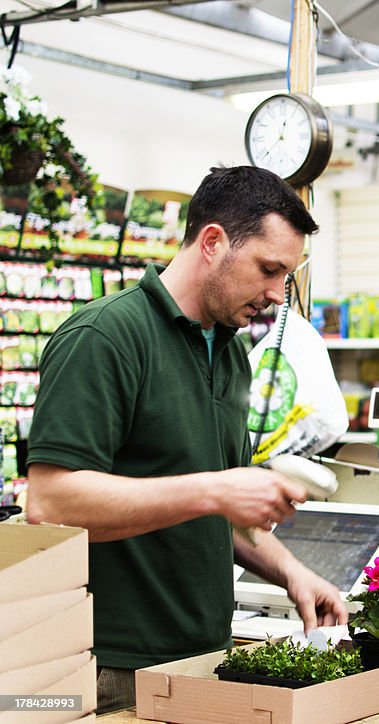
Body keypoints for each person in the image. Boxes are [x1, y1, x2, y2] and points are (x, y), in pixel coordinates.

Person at [26, 166, 347, 714]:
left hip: (203, 660)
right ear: (214, 241)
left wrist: (291, 571)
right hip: (108, 668)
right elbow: (49, 504)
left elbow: (219, 511)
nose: (275, 294)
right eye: (268, 269)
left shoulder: (228, 353)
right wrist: (216, 490)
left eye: (285, 278)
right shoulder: (105, 337)